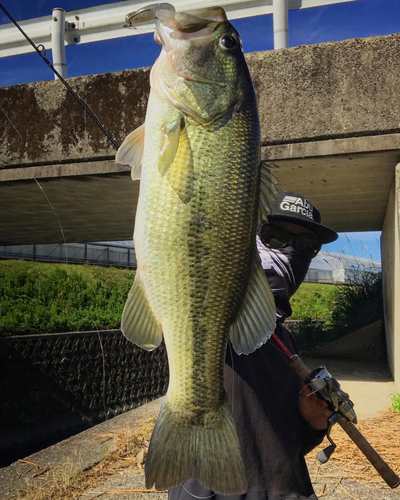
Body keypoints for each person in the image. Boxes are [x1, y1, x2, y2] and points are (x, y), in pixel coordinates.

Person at [169, 189, 339, 500]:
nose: (290, 252)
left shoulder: (285, 340)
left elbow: (282, 442)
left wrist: (312, 423)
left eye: (305, 246)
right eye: (273, 236)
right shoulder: (212, 312)